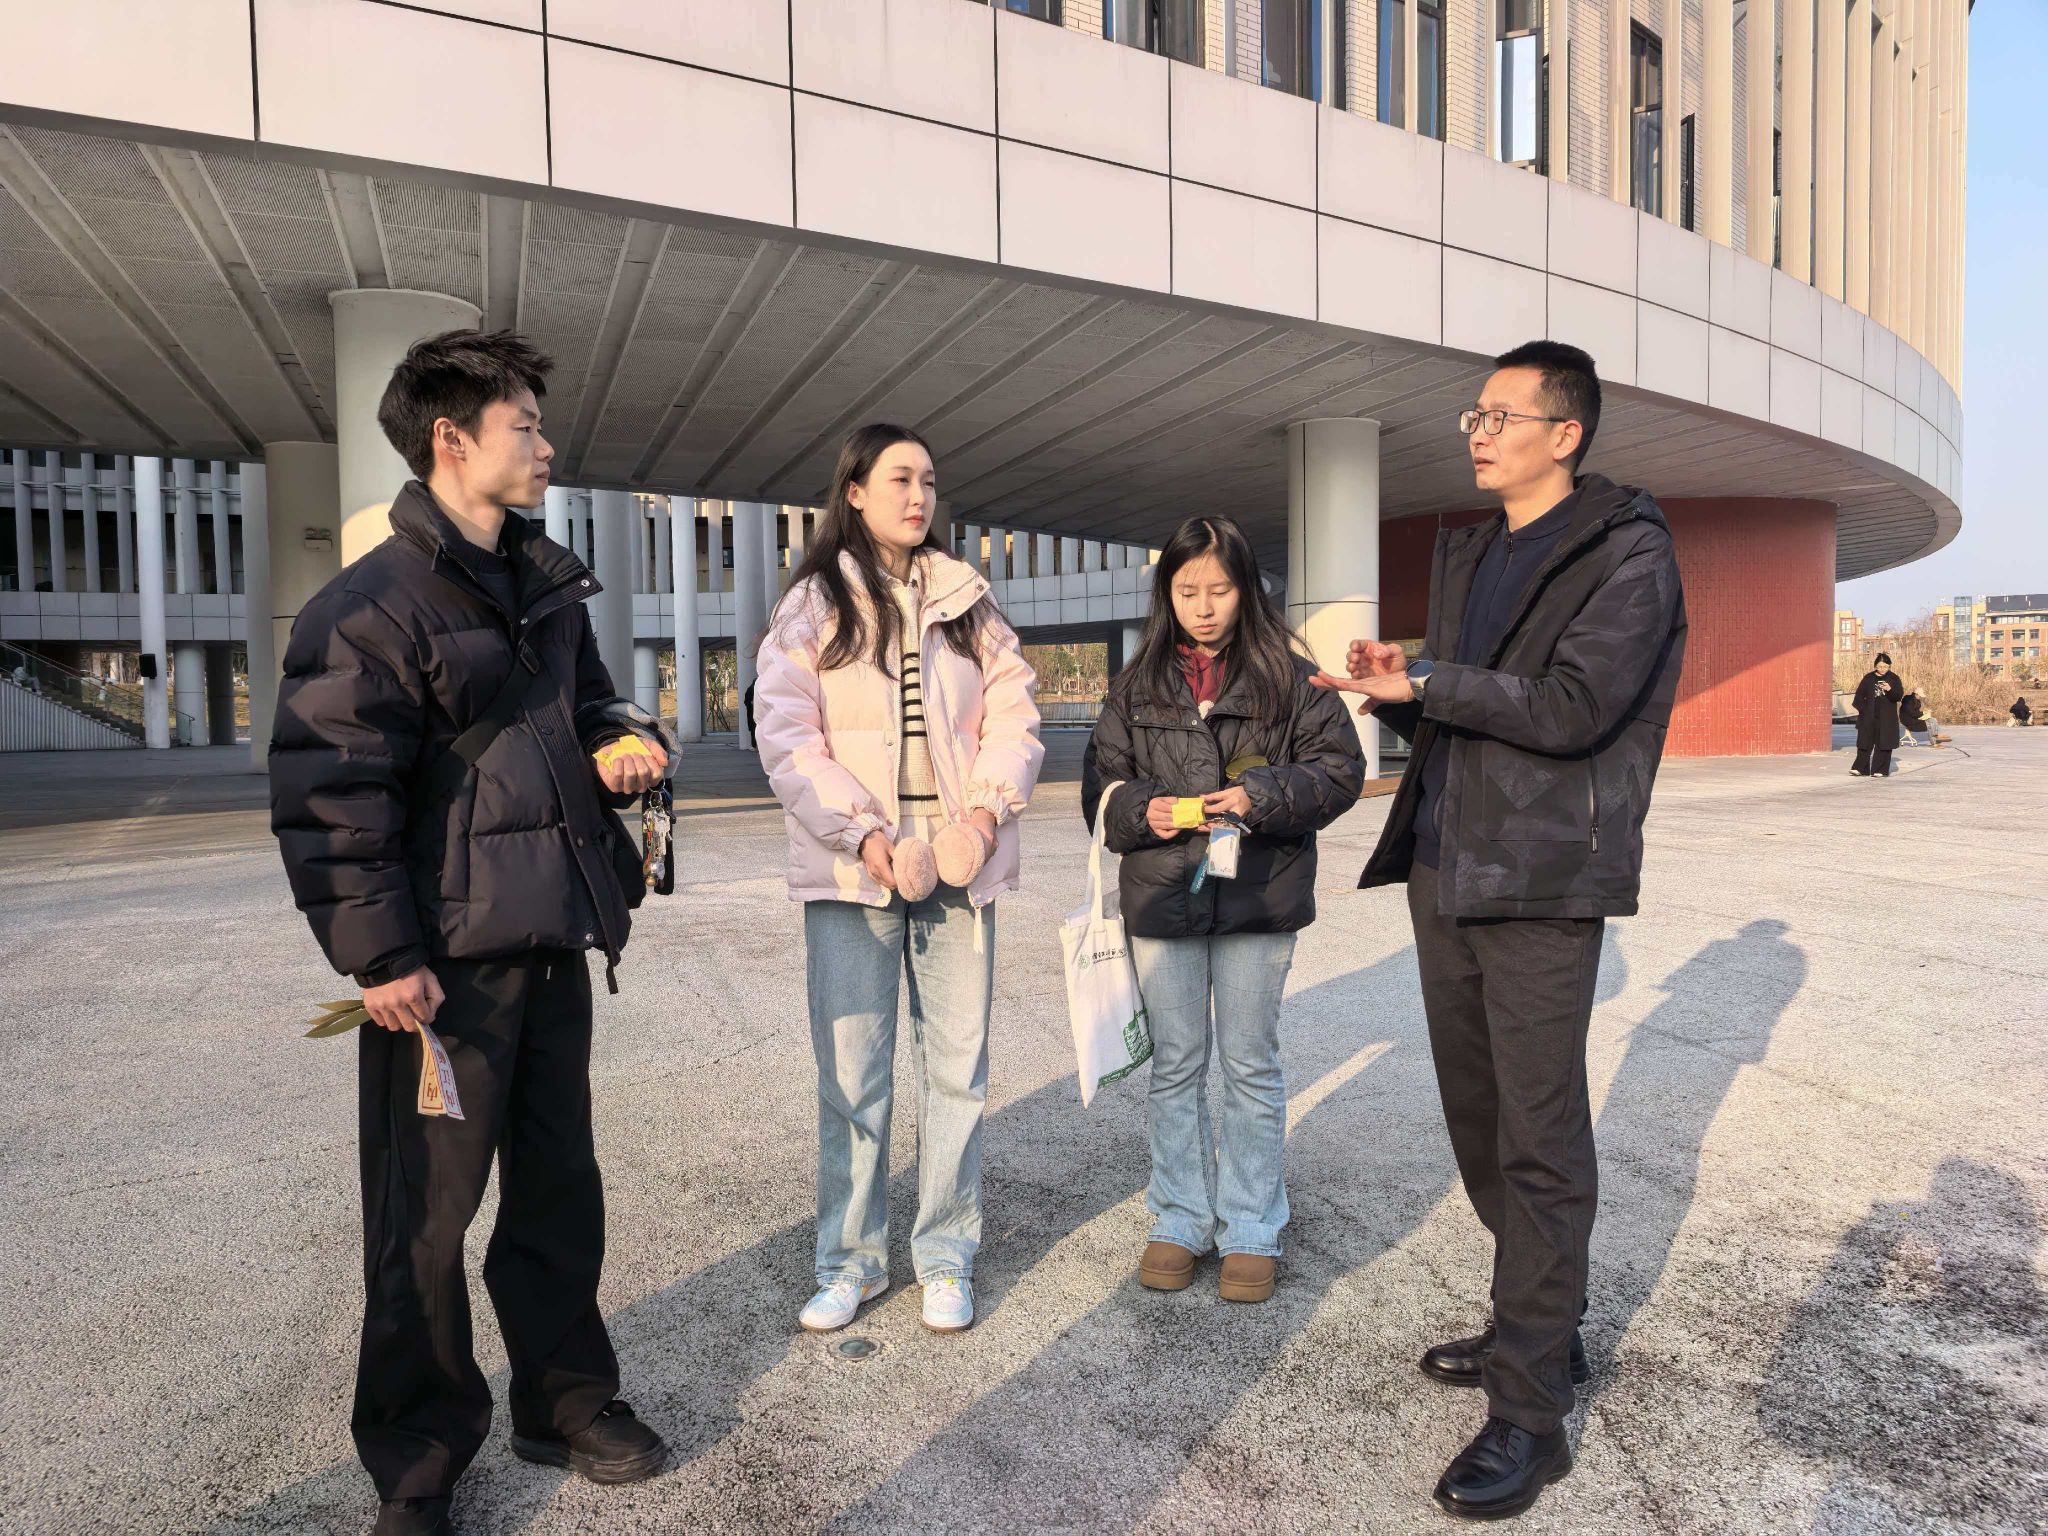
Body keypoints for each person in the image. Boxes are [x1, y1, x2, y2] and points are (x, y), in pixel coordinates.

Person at [269, 329, 671, 1536]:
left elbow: (591, 703)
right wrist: (382, 958)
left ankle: (565, 1400)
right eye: (524, 426)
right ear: (451, 440)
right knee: (423, 1224)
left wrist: (621, 738)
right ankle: (417, 1462)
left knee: (557, 1190)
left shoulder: (544, 584)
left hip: (550, 942)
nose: (546, 447)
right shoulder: (367, 607)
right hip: (439, 973)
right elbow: (331, 791)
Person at [1313, 340, 1687, 1521]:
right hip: (1444, 866)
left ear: (1563, 433)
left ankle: (1530, 1413)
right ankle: (1538, 1322)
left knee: (1538, 1138)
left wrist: (1427, 682)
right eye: (1472, 414)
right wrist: (1403, 682)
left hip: (1540, 877)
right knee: (1476, 1120)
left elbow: (1573, 710)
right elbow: (1469, 705)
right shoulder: (1472, 550)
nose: (1476, 432)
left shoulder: (1625, 552)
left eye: (1500, 415)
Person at [754, 423, 1043, 1338]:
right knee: (852, 1077)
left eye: (929, 481)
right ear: (855, 491)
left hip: (960, 862)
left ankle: (947, 1255)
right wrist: (864, 833)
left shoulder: (968, 601)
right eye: (900, 480)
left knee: (957, 1070)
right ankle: (850, 1262)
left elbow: (1015, 715)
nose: (919, 497)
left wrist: (986, 815)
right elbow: (787, 738)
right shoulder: (812, 606)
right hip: (856, 870)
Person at [1081, 516, 1363, 1305]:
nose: (1204, 607)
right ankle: (1179, 1218)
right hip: (1162, 898)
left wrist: (1260, 795)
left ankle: (1250, 1228)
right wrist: (1142, 809)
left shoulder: (1290, 678)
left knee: (1249, 1063)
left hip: (1260, 896)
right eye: (1187, 591)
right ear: (1166, 594)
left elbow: (1339, 770)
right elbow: (1099, 790)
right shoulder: (1135, 685)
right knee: (1175, 1065)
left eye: (1220, 589)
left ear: (1247, 591)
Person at [1851, 653, 1903, 774]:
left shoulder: (1894, 678)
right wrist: (1863, 710)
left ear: (1889, 666)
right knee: (1864, 742)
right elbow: (1858, 697)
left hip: (1886, 718)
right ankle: (1860, 768)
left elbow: (1898, 696)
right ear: (1875, 666)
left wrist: (1889, 689)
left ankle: (1880, 770)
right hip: (1868, 717)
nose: (1882, 669)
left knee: (1884, 743)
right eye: (1880, 666)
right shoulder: (1868, 678)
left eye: (1885, 666)